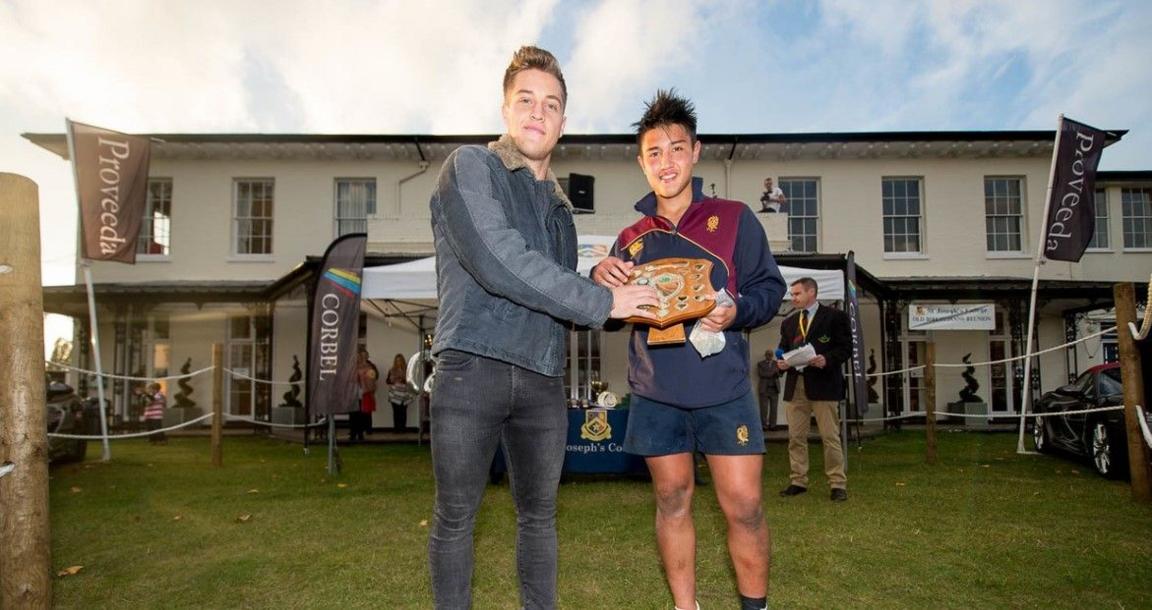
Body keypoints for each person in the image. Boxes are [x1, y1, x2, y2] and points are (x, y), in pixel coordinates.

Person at [427, 45, 658, 610]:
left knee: (540, 518)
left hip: (542, 379)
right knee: (456, 517)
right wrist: (602, 299)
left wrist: (593, 276)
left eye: (551, 104)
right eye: (525, 100)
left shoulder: (560, 211)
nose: (538, 112)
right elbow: (500, 259)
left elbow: (549, 288)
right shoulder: (470, 167)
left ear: (562, 122)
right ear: (505, 109)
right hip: (471, 366)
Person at [592, 89, 786, 610]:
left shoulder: (735, 217)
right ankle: (685, 606)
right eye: (654, 152)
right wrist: (600, 284)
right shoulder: (629, 238)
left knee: (744, 506)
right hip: (656, 392)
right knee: (672, 500)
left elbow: (770, 290)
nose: (666, 162)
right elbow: (609, 318)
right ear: (641, 162)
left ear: (696, 152)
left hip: (723, 389)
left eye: (676, 148)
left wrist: (736, 311)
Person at [776, 277, 851, 502]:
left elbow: (845, 348)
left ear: (811, 293)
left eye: (797, 293)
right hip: (795, 385)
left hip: (824, 385)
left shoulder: (835, 317)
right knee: (795, 437)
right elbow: (782, 349)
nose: (793, 298)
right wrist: (781, 362)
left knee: (830, 437)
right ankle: (798, 480)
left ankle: (837, 483)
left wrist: (826, 359)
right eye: (792, 294)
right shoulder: (788, 323)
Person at [350, 349, 379, 442]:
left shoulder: (368, 367)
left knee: (362, 414)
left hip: (363, 392)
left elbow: (372, 378)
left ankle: (360, 433)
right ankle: (353, 433)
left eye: (359, 357)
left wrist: (369, 388)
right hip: (353, 392)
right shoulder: (351, 367)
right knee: (353, 414)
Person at [385, 353, 411, 433]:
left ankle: (403, 428)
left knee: (403, 412)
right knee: (396, 412)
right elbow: (387, 381)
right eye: (397, 361)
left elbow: (410, 381)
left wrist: (403, 380)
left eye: (400, 360)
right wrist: (393, 380)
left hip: (404, 393)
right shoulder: (392, 370)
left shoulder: (407, 370)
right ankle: (396, 429)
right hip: (395, 394)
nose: (398, 362)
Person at [757, 350, 781, 430]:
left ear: (773, 355)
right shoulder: (760, 364)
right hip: (764, 389)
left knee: (774, 409)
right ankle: (764, 426)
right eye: (768, 354)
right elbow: (761, 374)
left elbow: (779, 374)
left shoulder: (776, 363)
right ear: (765, 355)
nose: (769, 356)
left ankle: (773, 425)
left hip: (774, 389)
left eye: (771, 354)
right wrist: (773, 373)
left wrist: (773, 373)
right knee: (764, 409)